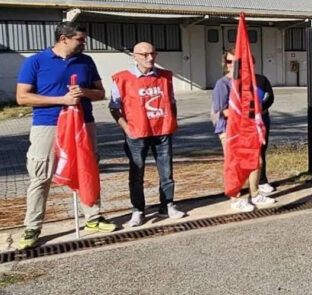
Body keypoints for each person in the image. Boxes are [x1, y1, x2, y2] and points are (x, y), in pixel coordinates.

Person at [15, 21, 116, 249]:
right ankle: (32, 227)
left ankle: (93, 217)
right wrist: (61, 100)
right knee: (41, 175)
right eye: (80, 39)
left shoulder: (86, 61)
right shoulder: (36, 62)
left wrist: (85, 92)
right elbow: (22, 97)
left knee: (87, 169)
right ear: (64, 38)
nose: (84, 43)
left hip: (83, 123)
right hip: (47, 125)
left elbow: (100, 93)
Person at [109, 42, 185, 226]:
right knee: (137, 174)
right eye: (144, 55)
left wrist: (172, 120)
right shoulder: (122, 79)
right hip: (137, 134)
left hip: (162, 131)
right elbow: (114, 107)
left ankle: (167, 205)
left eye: (153, 54)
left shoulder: (165, 77)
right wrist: (126, 128)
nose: (150, 58)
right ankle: (138, 210)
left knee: (166, 172)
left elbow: (172, 101)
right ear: (134, 57)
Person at [211, 48, 277, 211]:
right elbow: (222, 111)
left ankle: (255, 194)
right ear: (225, 65)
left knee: (256, 161)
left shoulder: (249, 83)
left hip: (249, 129)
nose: (233, 65)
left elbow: (263, 100)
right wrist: (246, 113)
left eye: (237, 62)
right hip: (230, 130)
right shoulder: (223, 84)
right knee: (236, 164)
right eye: (229, 62)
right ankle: (235, 199)